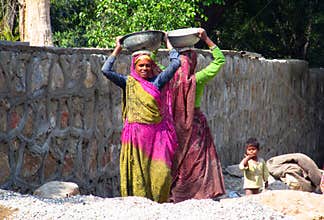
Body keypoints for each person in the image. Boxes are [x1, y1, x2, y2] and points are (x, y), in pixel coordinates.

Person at [101, 33, 181, 203]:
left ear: (152, 66)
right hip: (136, 137)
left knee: (162, 173)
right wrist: (118, 48)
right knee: (138, 172)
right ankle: (139, 205)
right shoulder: (128, 82)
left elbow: (176, 63)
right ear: (134, 67)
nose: (144, 69)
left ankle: (159, 204)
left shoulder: (158, 81)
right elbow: (105, 70)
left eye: (147, 65)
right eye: (140, 66)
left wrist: (168, 42)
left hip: (158, 136)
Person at [168, 28, 226, 202]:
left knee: (180, 158)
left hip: (175, 124)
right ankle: (202, 192)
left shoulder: (169, 76)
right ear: (193, 63)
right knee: (199, 157)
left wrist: (166, 42)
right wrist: (207, 40)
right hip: (195, 124)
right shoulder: (198, 78)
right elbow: (220, 60)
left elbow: (158, 64)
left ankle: (179, 192)